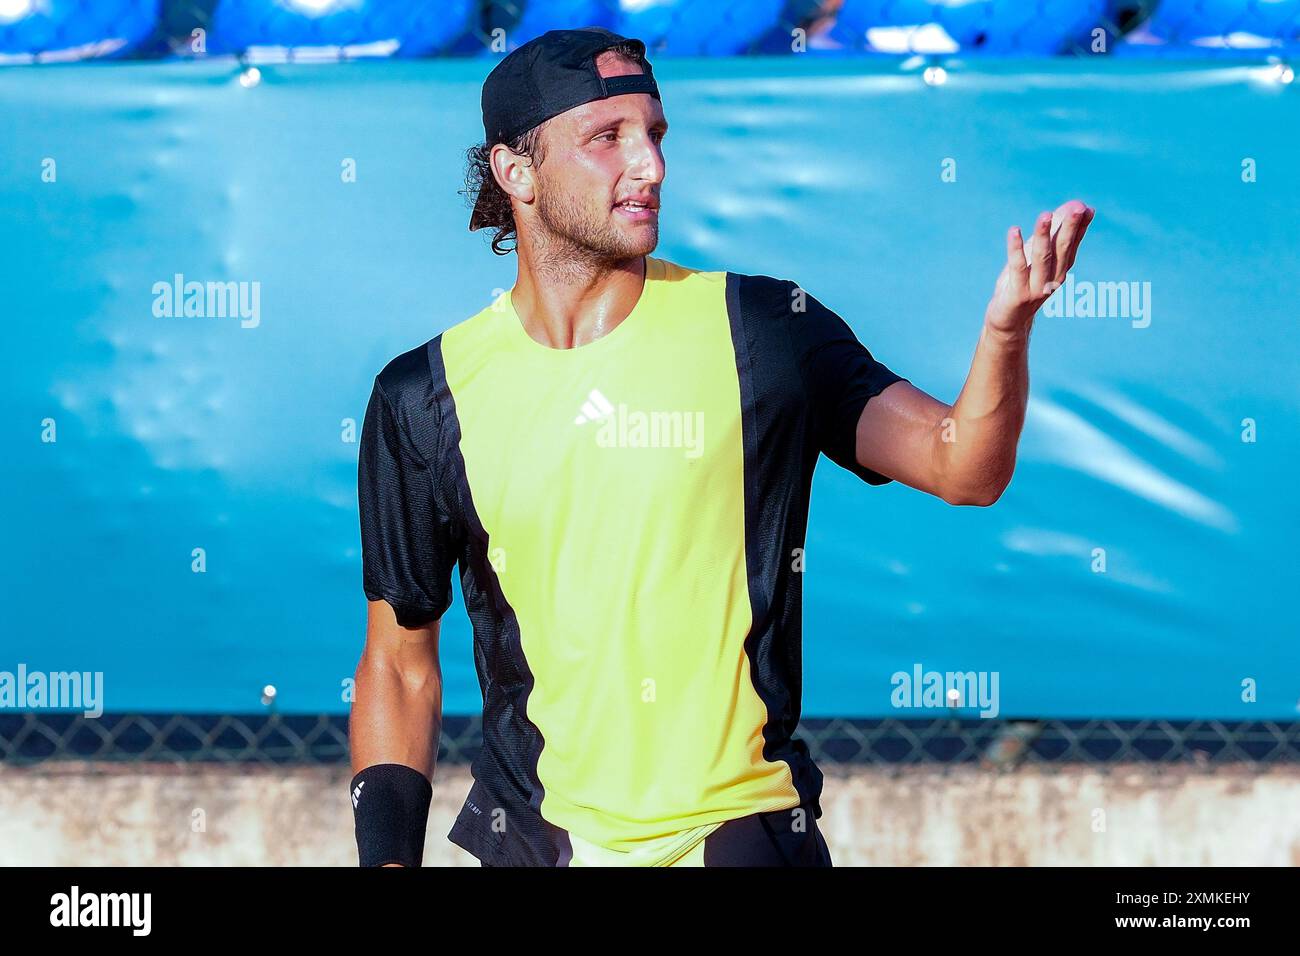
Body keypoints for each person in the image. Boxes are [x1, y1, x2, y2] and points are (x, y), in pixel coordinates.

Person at [348, 26, 1093, 868]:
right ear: (515, 172)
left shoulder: (767, 330)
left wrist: (1003, 335)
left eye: (657, 135)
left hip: (742, 835)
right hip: (534, 842)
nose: (651, 166)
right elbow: (400, 664)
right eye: (608, 138)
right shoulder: (423, 396)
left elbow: (965, 467)